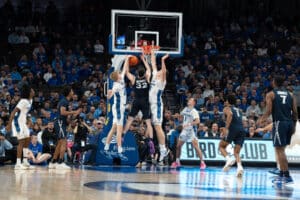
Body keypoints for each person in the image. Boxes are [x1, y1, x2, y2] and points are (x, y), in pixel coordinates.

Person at [259, 75, 298, 184]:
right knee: (280, 149)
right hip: (289, 123)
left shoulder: (271, 94)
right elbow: (295, 112)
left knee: (280, 150)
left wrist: (261, 120)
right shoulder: (290, 94)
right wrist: (294, 125)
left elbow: (269, 110)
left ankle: (286, 175)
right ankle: (281, 173)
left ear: (274, 82)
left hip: (279, 123)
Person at [48, 86, 81, 169]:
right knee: (63, 141)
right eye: (72, 91)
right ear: (69, 92)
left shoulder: (66, 101)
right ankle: (60, 162)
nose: (73, 92)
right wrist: (74, 111)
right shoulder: (64, 101)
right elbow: (62, 112)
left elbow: (66, 116)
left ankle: (53, 162)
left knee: (60, 143)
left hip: (62, 122)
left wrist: (74, 115)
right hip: (59, 122)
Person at [123, 54, 153, 140]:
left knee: (129, 120)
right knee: (148, 122)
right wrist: (143, 59)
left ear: (137, 73)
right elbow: (149, 69)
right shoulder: (147, 78)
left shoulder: (134, 79)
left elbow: (126, 72)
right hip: (145, 102)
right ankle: (150, 139)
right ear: (144, 73)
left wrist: (127, 60)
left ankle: (123, 135)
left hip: (136, 101)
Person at [171, 98, 206, 169]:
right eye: (189, 100)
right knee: (178, 146)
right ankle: (177, 162)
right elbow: (181, 116)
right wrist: (175, 116)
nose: (189, 101)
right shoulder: (185, 109)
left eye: (190, 100)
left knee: (196, 146)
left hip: (192, 130)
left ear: (193, 103)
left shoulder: (194, 111)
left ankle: (202, 163)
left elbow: (198, 121)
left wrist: (189, 124)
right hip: (185, 130)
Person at [6, 84, 35, 170]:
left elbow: (26, 112)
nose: (33, 91)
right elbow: (13, 112)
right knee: (21, 142)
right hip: (17, 122)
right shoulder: (23, 101)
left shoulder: (31, 100)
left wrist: (29, 120)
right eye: (32, 90)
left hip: (23, 122)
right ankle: (18, 164)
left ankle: (25, 161)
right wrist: (9, 124)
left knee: (27, 139)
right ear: (29, 92)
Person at [149, 51, 169, 165]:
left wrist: (162, 60)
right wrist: (152, 52)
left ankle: (163, 149)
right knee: (153, 127)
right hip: (151, 105)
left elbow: (164, 71)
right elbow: (153, 64)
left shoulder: (162, 81)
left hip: (157, 105)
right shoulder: (155, 76)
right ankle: (159, 150)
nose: (160, 72)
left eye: (161, 71)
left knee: (157, 127)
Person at [104, 56, 128, 154]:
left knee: (114, 127)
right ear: (116, 77)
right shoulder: (116, 85)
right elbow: (109, 97)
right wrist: (109, 93)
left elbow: (125, 69)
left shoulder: (121, 78)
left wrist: (127, 59)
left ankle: (106, 144)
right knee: (119, 128)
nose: (119, 72)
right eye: (118, 73)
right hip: (118, 107)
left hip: (119, 106)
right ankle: (119, 147)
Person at [219, 94, 245, 177]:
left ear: (228, 101)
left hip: (233, 129)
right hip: (241, 130)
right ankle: (239, 167)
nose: (224, 102)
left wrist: (226, 128)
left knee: (221, 146)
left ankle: (228, 159)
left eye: (225, 100)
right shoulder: (239, 110)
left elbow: (230, 114)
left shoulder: (226, 108)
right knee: (236, 152)